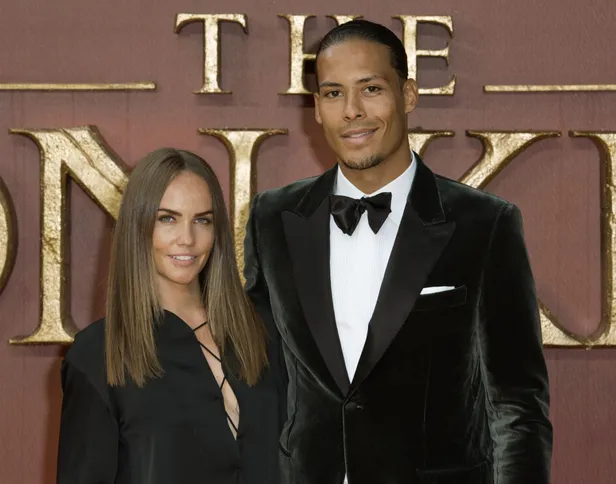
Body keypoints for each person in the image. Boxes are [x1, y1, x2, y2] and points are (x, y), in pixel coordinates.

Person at [244, 20, 552, 484]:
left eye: (370, 89)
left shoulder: (485, 224)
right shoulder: (273, 218)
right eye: (333, 94)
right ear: (318, 109)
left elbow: (517, 405)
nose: (352, 111)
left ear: (407, 95)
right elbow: (261, 378)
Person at [57, 148, 280, 484]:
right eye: (167, 219)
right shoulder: (97, 355)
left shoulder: (264, 332)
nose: (187, 239)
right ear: (138, 225)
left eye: (202, 220)